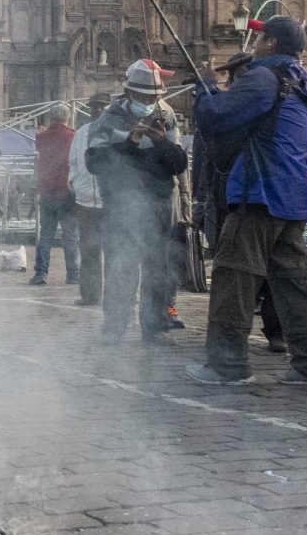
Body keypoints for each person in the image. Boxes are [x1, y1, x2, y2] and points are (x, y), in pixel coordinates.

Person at [189, 17, 307, 388]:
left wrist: (206, 85)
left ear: (270, 42)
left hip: (259, 192)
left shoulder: (263, 77)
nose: (253, 43)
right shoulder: (299, 80)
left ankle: (227, 365)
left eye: (258, 37)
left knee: (233, 278)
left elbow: (216, 116)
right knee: (292, 285)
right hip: (291, 195)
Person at [85, 59, 189, 342]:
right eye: (143, 97)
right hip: (121, 204)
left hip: (158, 204)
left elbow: (179, 163)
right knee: (122, 265)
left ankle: (153, 327)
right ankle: (115, 326)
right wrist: (129, 143)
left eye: (153, 97)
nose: (148, 102)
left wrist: (161, 142)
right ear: (129, 93)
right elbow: (94, 162)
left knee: (158, 268)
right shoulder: (108, 119)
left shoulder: (166, 116)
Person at [68, 93, 110, 308]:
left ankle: (116, 296)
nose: (99, 111)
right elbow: (73, 161)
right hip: (85, 201)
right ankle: (90, 295)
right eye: (95, 108)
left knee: (114, 253)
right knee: (88, 251)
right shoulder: (81, 133)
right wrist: (73, 181)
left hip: (110, 202)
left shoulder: (117, 132)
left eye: (103, 107)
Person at [31, 107, 78, 285]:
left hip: (47, 191)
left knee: (46, 235)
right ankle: (73, 275)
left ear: (51, 118)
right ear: (68, 118)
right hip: (66, 192)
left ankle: (40, 273)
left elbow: (40, 143)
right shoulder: (72, 136)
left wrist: (42, 133)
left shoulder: (42, 137)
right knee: (70, 236)